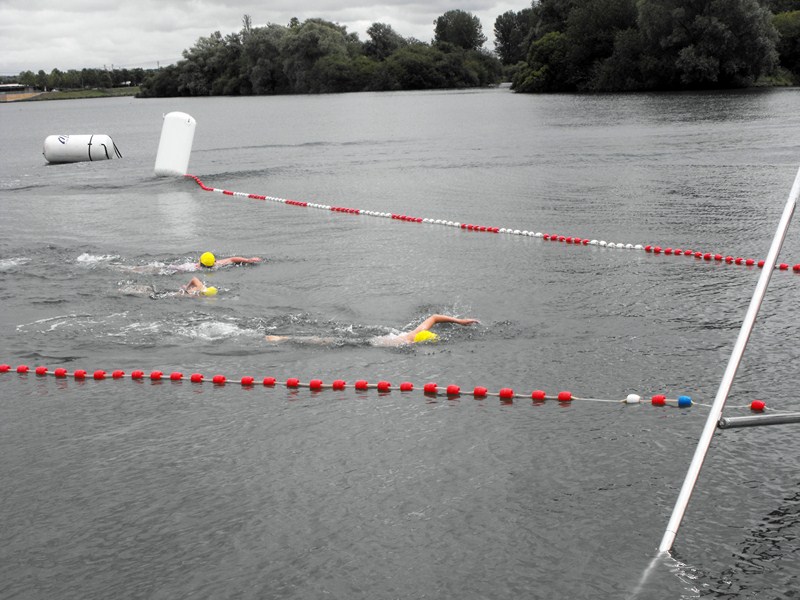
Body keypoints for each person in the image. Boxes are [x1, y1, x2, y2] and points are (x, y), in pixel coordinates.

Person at [265, 314, 479, 346]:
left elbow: (433, 317)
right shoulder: (410, 341)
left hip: (380, 337)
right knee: (326, 341)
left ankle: (282, 337)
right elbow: (434, 318)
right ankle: (282, 338)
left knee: (329, 339)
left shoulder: (412, 335)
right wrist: (460, 322)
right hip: (371, 342)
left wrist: (460, 322)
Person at [196, 252, 261, 269]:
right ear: (215, 260)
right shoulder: (218, 264)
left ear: (200, 260)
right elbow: (232, 259)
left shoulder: (193, 267)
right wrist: (248, 260)